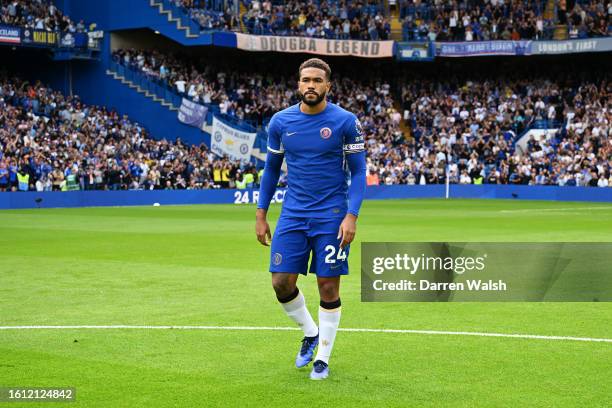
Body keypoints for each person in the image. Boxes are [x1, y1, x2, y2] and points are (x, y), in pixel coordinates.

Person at [255, 58, 366, 380]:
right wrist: (261, 215)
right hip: (292, 213)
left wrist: (351, 215)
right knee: (280, 282)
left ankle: (323, 358)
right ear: (298, 84)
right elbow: (271, 171)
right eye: (306, 80)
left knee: (327, 286)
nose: (311, 85)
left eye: (318, 80)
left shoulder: (346, 122)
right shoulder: (280, 122)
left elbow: (359, 172)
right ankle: (310, 331)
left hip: (331, 216)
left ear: (328, 86)